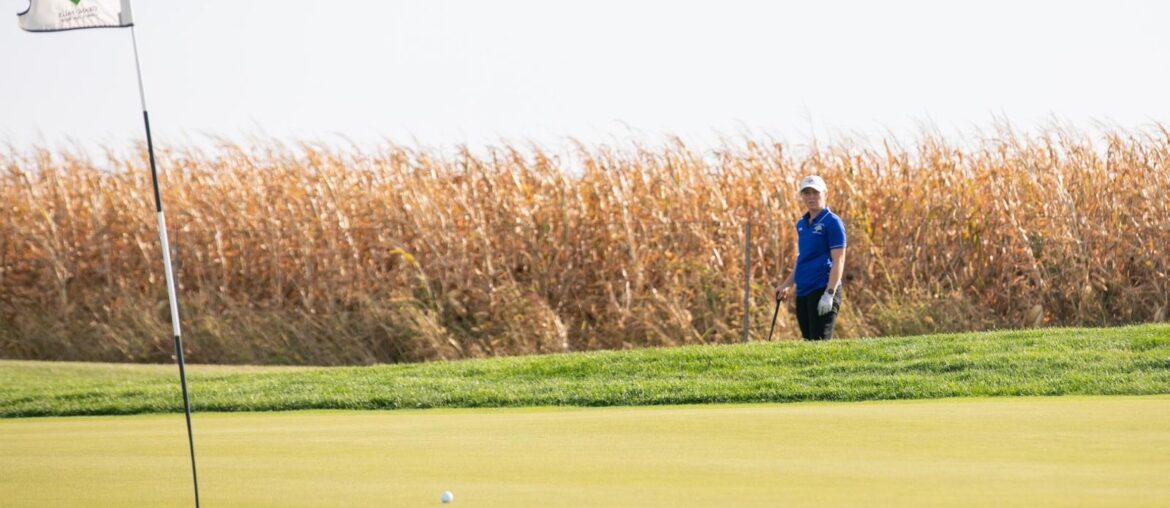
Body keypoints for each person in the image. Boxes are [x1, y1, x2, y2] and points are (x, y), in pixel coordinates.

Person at [774, 175, 847, 340]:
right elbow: (803, 259)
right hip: (803, 290)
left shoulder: (832, 222)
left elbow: (839, 260)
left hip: (823, 288)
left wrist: (829, 293)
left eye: (815, 192)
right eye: (806, 193)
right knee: (808, 342)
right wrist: (786, 285)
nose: (811, 197)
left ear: (825, 194)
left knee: (819, 343)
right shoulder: (801, 224)